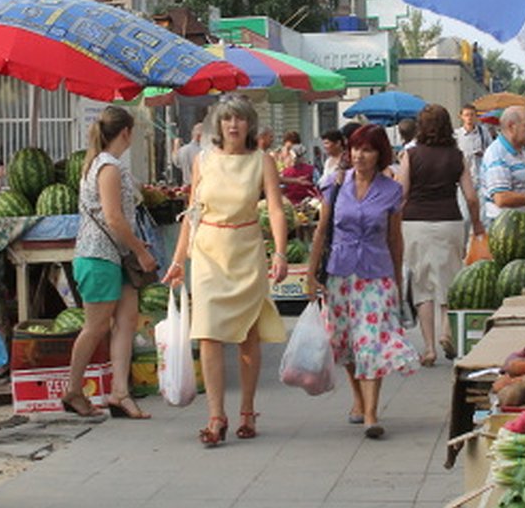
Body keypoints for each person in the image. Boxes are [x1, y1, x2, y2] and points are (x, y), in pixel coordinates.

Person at [165, 95, 288, 447]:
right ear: (217, 125)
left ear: (250, 125)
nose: (233, 125)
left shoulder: (262, 161)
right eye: (227, 119)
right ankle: (215, 416)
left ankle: (247, 409)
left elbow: (277, 210)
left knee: (248, 335)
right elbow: (192, 212)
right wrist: (177, 261)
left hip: (247, 250)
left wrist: (280, 252)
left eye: (240, 119)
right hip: (208, 253)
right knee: (208, 333)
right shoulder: (203, 161)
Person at [307, 124, 419, 438]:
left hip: (376, 273)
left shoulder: (392, 190)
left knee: (372, 342)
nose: (360, 155)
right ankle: (357, 399)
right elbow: (321, 230)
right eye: (356, 149)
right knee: (345, 343)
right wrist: (311, 276)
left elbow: (395, 239)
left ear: (379, 154)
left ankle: (371, 414)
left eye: (367, 149)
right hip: (339, 273)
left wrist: (397, 279)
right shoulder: (333, 185)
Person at [67, 106, 157, 418]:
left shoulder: (102, 164)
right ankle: (73, 390)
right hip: (99, 256)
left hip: (115, 256)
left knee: (126, 321)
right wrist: (140, 251)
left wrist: (132, 246)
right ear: (126, 133)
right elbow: (113, 217)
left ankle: (120, 392)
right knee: (95, 326)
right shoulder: (108, 167)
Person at [398, 105, 482, 367]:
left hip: (415, 224)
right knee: (449, 281)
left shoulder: (410, 155)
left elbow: (401, 194)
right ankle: (447, 332)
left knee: (422, 287)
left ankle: (430, 348)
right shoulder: (458, 157)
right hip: (450, 221)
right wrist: (477, 224)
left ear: (421, 128)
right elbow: (470, 196)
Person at [456, 104, 494, 177]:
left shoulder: (483, 132)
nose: (469, 118)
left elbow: (492, 151)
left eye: (472, 115)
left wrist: (483, 153)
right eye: (466, 115)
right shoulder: (457, 135)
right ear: (461, 117)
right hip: (464, 176)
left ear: (476, 117)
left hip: (481, 175)